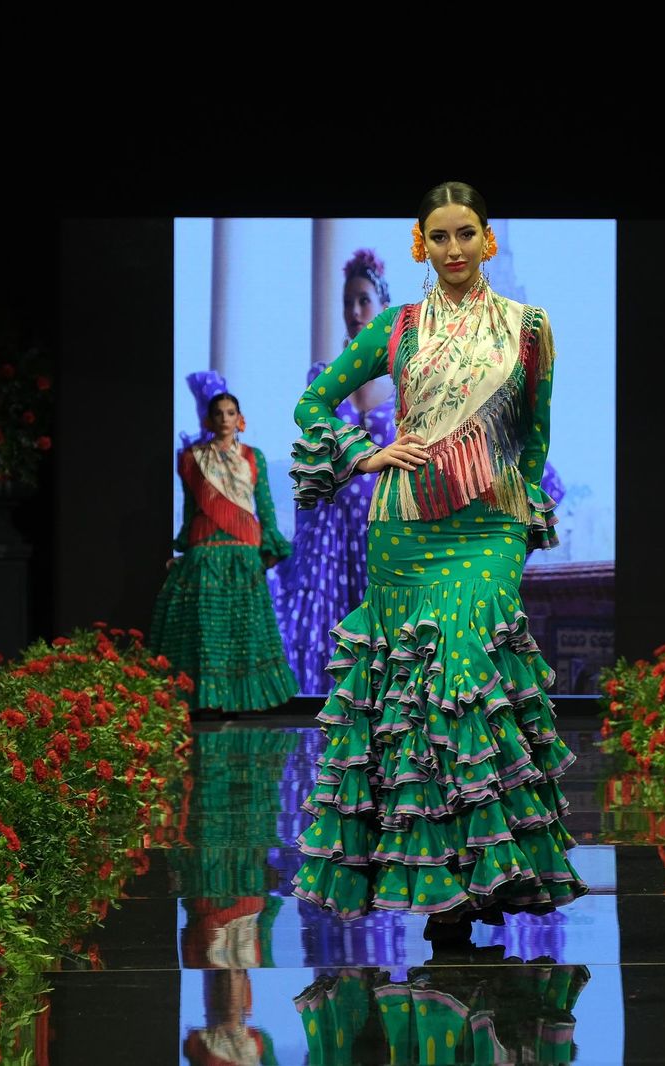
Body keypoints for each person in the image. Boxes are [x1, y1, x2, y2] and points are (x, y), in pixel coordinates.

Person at [287, 182, 583, 933]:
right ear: (422, 244)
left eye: (466, 233)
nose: (454, 248)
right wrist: (366, 452)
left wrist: (521, 515)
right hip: (405, 527)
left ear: (488, 239)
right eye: (439, 236)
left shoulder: (527, 327)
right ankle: (457, 881)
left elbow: (537, 433)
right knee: (421, 690)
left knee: (460, 667)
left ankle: (488, 866)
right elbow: (313, 402)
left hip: (489, 527)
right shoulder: (396, 327)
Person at [274, 249, 399, 692]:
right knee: (329, 647)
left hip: (383, 533)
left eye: (363, 300)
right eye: (348, 302)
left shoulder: (406, 384)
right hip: (330, 538)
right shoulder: (324, 377)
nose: (354, 312)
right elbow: (309, 455)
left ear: (384, 307)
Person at [151, 391, 297, 713]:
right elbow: (191, 508)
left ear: (239, 418)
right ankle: (205, 699)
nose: (225, 419)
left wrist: (272, 547)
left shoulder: (253, 457)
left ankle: (242, 701)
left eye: (231, 413)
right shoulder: (193, 458)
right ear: (210, 419)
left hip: (244, 550)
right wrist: (184, 549)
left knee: (244, 628)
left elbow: (266, 506)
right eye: (219, 413)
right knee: (205, 628)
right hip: (205, 549)